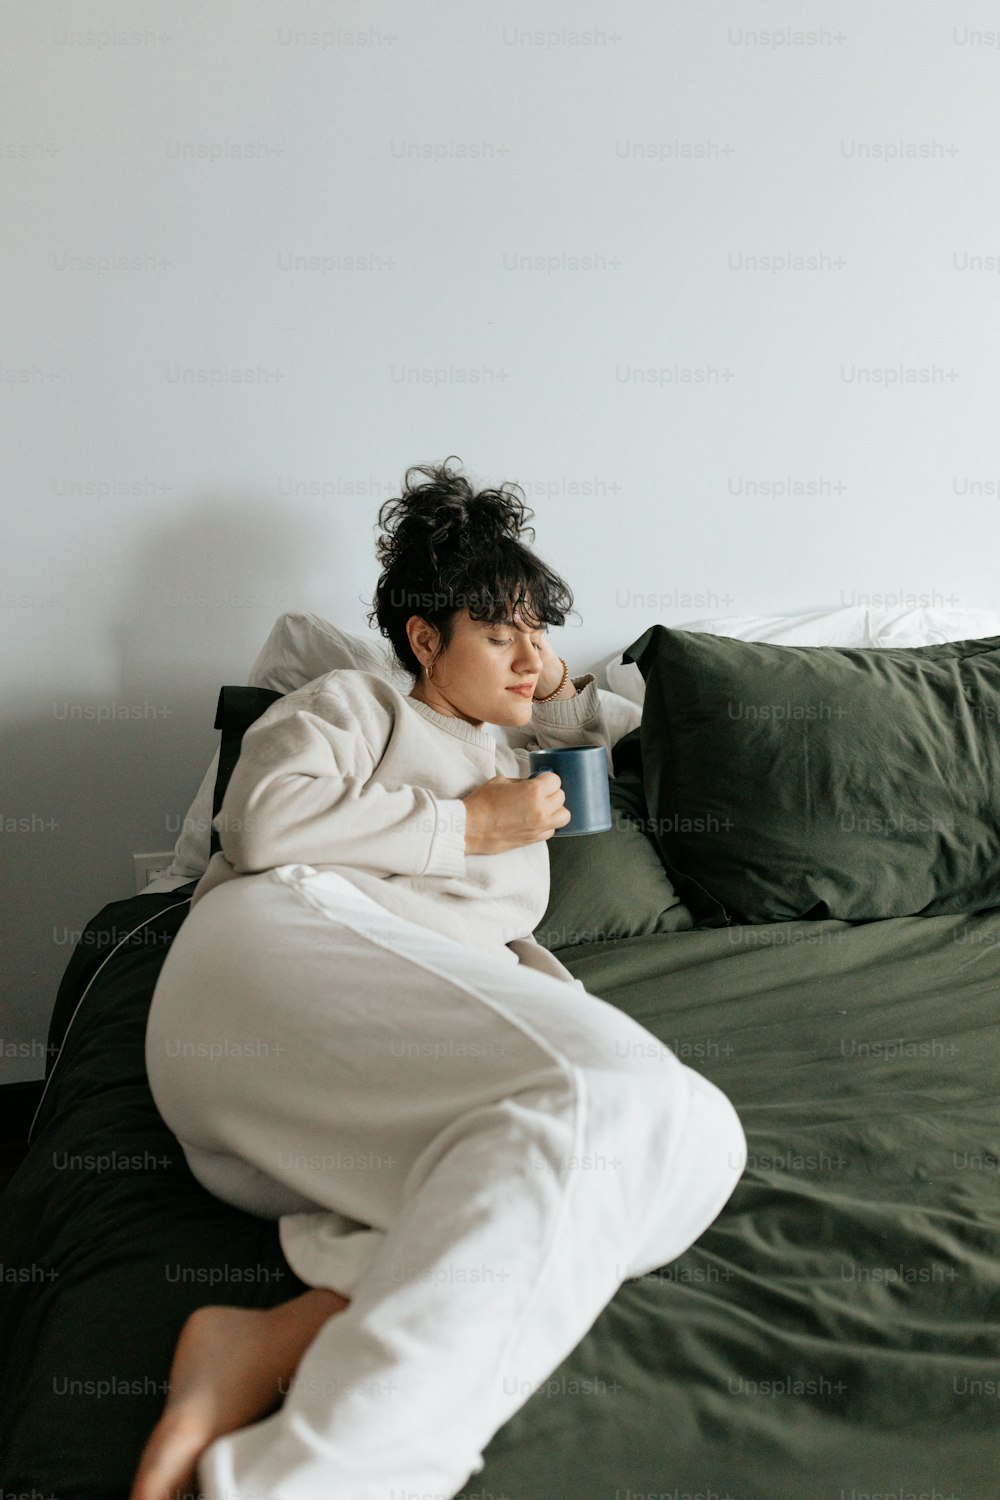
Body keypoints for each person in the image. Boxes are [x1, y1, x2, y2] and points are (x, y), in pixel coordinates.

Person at [131, 457, 747, 1500]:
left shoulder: (518, 755)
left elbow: (630, 733)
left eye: (537, 633)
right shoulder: (358, 703)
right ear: (425, 640)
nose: (526, 657)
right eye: (497, 633)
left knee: (695, 1146)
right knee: (631, 1105)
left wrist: (548, 685)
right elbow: (263, 822)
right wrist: (464, 828)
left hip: (360, 1071)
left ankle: (280, 1335)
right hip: (279, 950)